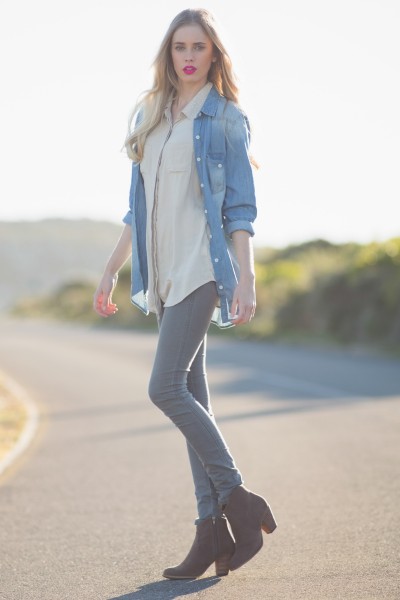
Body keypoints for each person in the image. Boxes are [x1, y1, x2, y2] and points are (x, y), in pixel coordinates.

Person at [93, 8, 277, 580]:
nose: (189, 55)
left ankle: (239, 502)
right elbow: (136, 207)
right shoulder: (150, 117)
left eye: (199, 46)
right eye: (180, 46)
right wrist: (111, 270)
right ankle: (210, 531)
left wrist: (246, 276)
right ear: (168, 54)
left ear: (214, 54)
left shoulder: (224, 118)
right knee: (193, 397)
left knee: (165, 387)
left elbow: (239, 210)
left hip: (202, 268)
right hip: (165, 274)